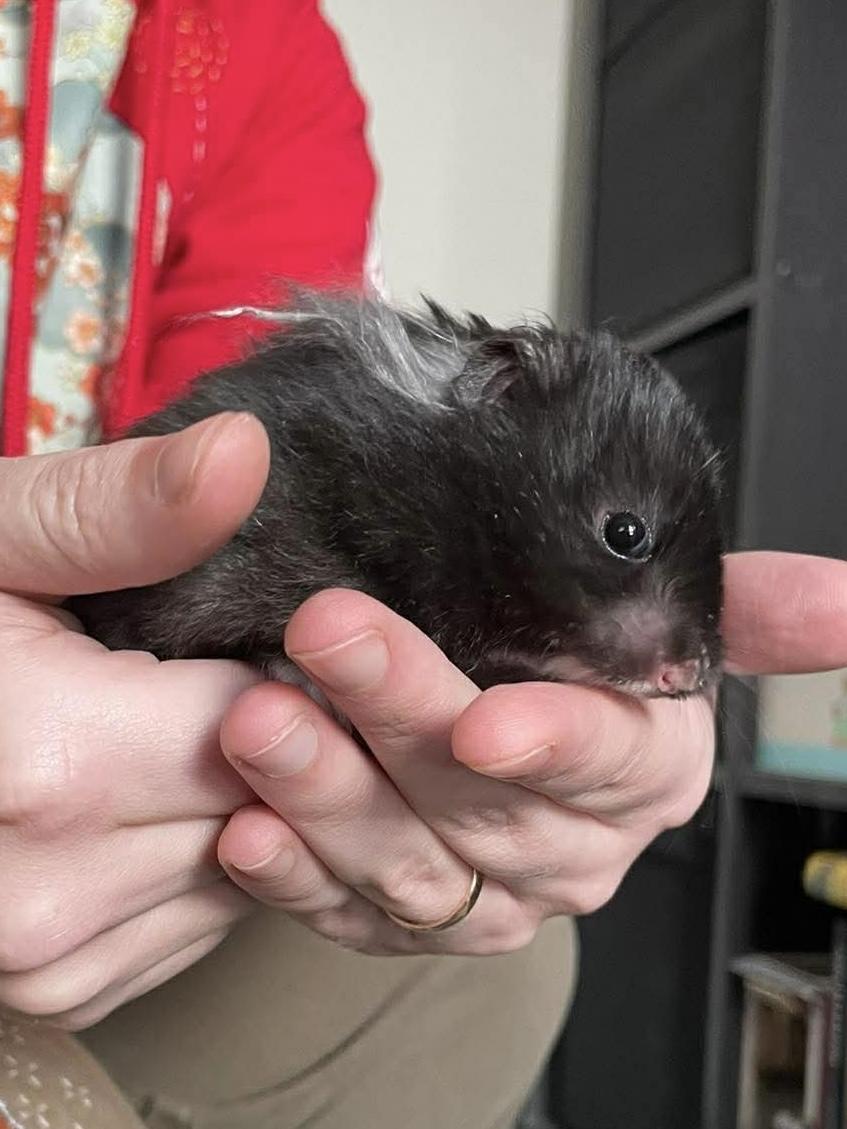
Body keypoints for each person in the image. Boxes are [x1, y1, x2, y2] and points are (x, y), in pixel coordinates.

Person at [1, 4, 847, 1129]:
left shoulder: (254, 51)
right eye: (627, 542)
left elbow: (236, 375)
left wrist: (529, 791)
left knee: (498, 967)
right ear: (501, 392)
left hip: (130, 839)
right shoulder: (381, 450)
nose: (683, 663)